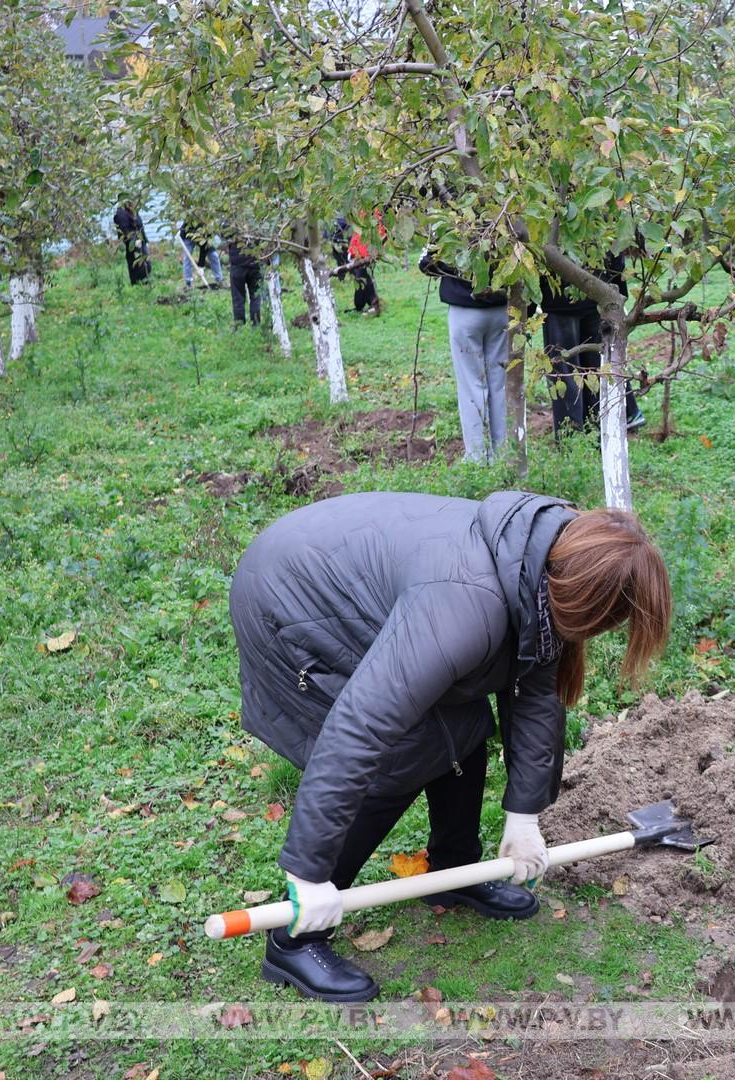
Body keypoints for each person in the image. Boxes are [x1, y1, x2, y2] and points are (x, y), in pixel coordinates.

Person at [229, 492, 672, 1002]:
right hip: (291, 604)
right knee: (400, 755)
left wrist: (524, 816)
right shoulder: (467, 602)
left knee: (458, 724)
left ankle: (453, 870)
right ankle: (294, 937)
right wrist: (306, 875)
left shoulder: (546, 563)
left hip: (357, 576)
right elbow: (361, 725)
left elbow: (533, 694)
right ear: (582, 599)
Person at [418, 249, 516, 463]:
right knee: (499, 385)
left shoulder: (452, 218)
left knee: (471, 386)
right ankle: (502, 456)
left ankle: (477, 458)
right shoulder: (508, 216)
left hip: (465, 309)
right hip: (501, 308)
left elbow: (426, 263)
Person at [541, 253, 644, 439]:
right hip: (595, 294)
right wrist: (618, 293)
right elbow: (614, 249)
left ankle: (572, 436)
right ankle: (596, 428)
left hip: (562, 302)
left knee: (565, 372)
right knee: (595, 366)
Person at [329, 215, 381, 316]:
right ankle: (362, 305)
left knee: (362, 276)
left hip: (365, 246)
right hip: (359, 246)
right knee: (361, 276)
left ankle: (373, 305)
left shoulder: (368, 212)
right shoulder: (358, 212)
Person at [226, 235, 263, 328]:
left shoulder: (231, 223)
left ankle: (239, 325)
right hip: (254, 262)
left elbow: (225, 236)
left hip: (237, 263)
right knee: (256, 295)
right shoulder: (257, 222)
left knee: (238, 296)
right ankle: (256, 323)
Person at [178, 219, 224, 290]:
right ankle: (188, 282)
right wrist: (201, 266)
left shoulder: (210, 228)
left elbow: (204, 247)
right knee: (187, 257)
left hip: (203, 237)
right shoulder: (197, 217)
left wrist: (201, 266)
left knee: (214, 255)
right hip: (187, 234)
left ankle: (219, 280)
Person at [113, 200, 151, 285]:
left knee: (146, 262)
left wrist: (145, 240)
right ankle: (136, 283)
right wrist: (133, 241)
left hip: (141, 240)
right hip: (132, 242)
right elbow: (124, 229)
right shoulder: (120, 214)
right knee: (135, 262)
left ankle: (145, 281)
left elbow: (140, 225)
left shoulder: (134, 211)